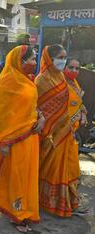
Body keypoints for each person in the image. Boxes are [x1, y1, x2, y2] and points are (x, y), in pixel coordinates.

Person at [0, 45, 43, 234]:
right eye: (31, 59)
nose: (34, 63)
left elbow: (32, 106)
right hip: (13, 139)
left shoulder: (28, 80)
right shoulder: (7, 81)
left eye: (34, 59)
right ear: (19, 61)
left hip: (29, 136)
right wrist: (5, 140)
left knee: (24, 175)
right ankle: (18, 215)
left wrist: (41, 118)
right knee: (16, 176)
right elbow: (2, 115)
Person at [36, 45, 84, 217]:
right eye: (60, 57)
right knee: (49, 167)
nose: (63, 61)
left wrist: (80, 114)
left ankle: (64, 202)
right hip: (49, 135)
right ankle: (43, 200)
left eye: (65, 57)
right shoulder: (41, 80)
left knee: (66, 167)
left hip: (66, 133)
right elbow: (35, 107)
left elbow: (72, 103)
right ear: (50, 58)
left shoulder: (62, 78)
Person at [64, 58, 89, 215]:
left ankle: (70, 202)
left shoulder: (75, 83)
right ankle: (67, 203)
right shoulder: (59, 83)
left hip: (72, 134)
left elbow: (78, 102)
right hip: (61, 133)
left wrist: (83, 113)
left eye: (77, 68)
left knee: (72, 170)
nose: (74, 71)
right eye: (70, 67)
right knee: (68, 170)